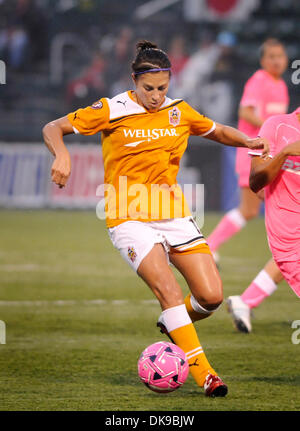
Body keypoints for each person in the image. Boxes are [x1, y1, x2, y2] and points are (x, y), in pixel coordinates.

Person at [42, 40, 268, 397]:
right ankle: (206, 375)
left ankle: (173, 322)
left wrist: (249, 141)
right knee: (169, 290)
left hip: (173, 214)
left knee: (210, 297)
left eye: (163, 88)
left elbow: (217, 130)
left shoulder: (179, 111)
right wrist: (62, 156)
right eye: (148, 88)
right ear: (134, 80)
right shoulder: (111, 108)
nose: (156, 96)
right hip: (127, 216)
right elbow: (52, 128)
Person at [206, 38, 289, 333]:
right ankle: (210, 247)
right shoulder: (259, 80)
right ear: (263, 59)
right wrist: (271, 124)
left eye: (281, 55)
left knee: (260, 218)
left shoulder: (281, 86)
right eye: (272, 55)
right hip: (257, 157)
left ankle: (246, 298)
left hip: (273, 160)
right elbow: (245, 113)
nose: (278, 60)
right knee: (251, 210)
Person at [248, 107, 300, 299]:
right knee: (246, 211)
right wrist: (285, 152)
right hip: (289, 238)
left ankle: (245, 302)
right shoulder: (277, 126)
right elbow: (255, 182)